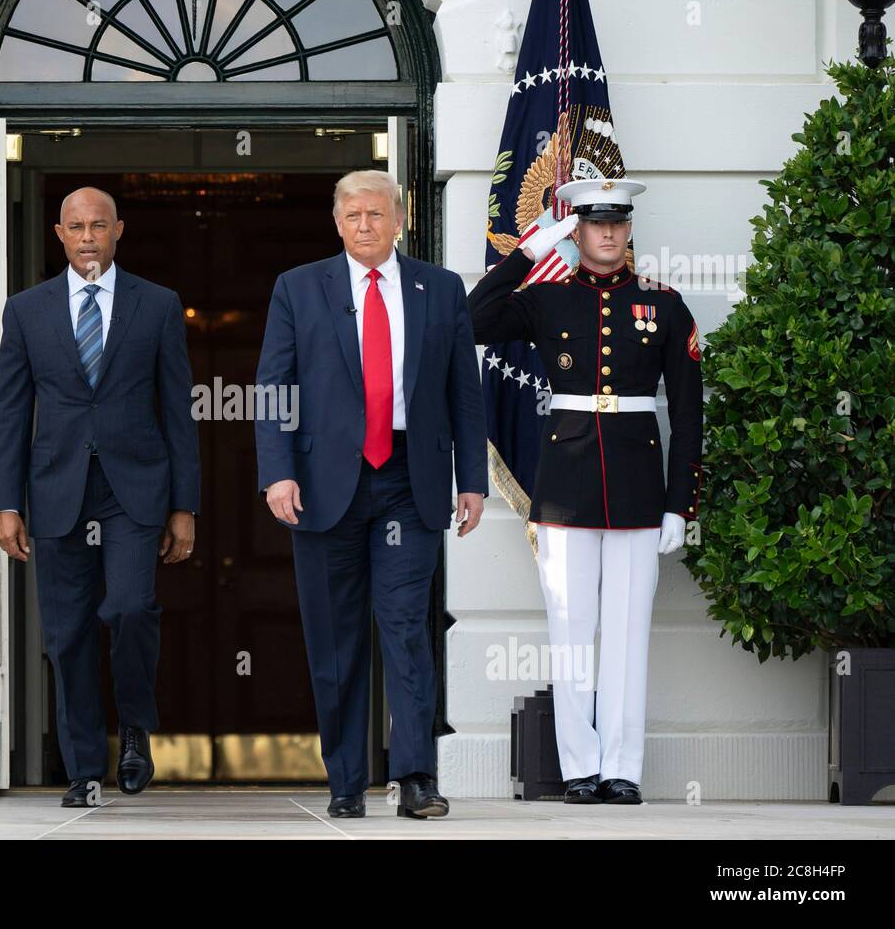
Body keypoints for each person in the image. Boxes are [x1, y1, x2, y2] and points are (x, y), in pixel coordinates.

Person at [255, 170, 488, 820]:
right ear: (337, 221)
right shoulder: (298, 289)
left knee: (406, 629)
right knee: (335, 638)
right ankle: (347, 780)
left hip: (409, 482)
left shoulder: (440, 290)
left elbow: (463, 395)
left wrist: (471, 480)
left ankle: (416, 777)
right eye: (353, 215)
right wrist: (277, 471)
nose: (365, 225)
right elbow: (275, 388)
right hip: (324, 488)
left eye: (376, 214)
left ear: (399, 220)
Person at [466, 178, 703, 804]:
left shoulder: (666, 304)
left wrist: (679, 503)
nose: (607, 233)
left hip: (636, 486)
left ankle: (623, 768)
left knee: (628, 632)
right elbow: (469, 320)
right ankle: (579, 769)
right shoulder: (546, 299)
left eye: (618, 223)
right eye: (595, 223)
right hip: (566, 481)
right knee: (570, 631)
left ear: (628, 230)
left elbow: (687, 414)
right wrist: (522, 254)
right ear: (577, 231)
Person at [0, 187, 200, 808]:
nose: (87, 237)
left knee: (131, 609)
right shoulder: (25, 311)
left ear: (118, 231)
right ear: (58, 233)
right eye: (76, 227)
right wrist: (7, 502)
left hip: (134, 489)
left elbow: (178, 412)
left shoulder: (157, 305)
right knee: (67, 634)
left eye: (98, 226)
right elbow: (9, 413)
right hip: (55, 489)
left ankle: (133, 726)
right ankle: (83, 769)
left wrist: (183, 505)